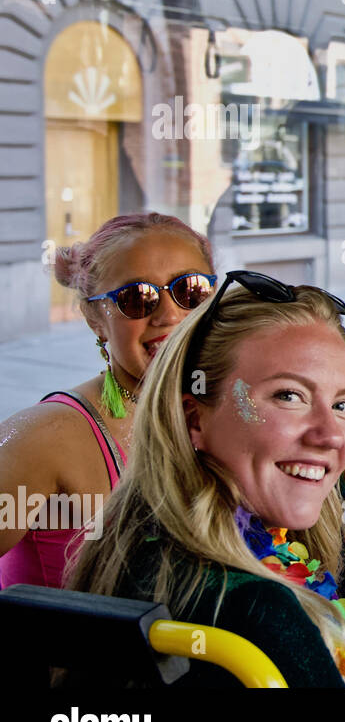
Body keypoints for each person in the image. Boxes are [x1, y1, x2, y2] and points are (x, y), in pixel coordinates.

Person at [68, 270, 345, 687]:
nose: (330, 434)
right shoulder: (254, 606)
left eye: (344, 405)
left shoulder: (143, 546)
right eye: (288, 396)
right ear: (194, 419)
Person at [0, 213, 215, 589]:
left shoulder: (227, 412)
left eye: (191, 290)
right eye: (136, 298)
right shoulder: (48, 435)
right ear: (95, 317)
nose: (170, 315)